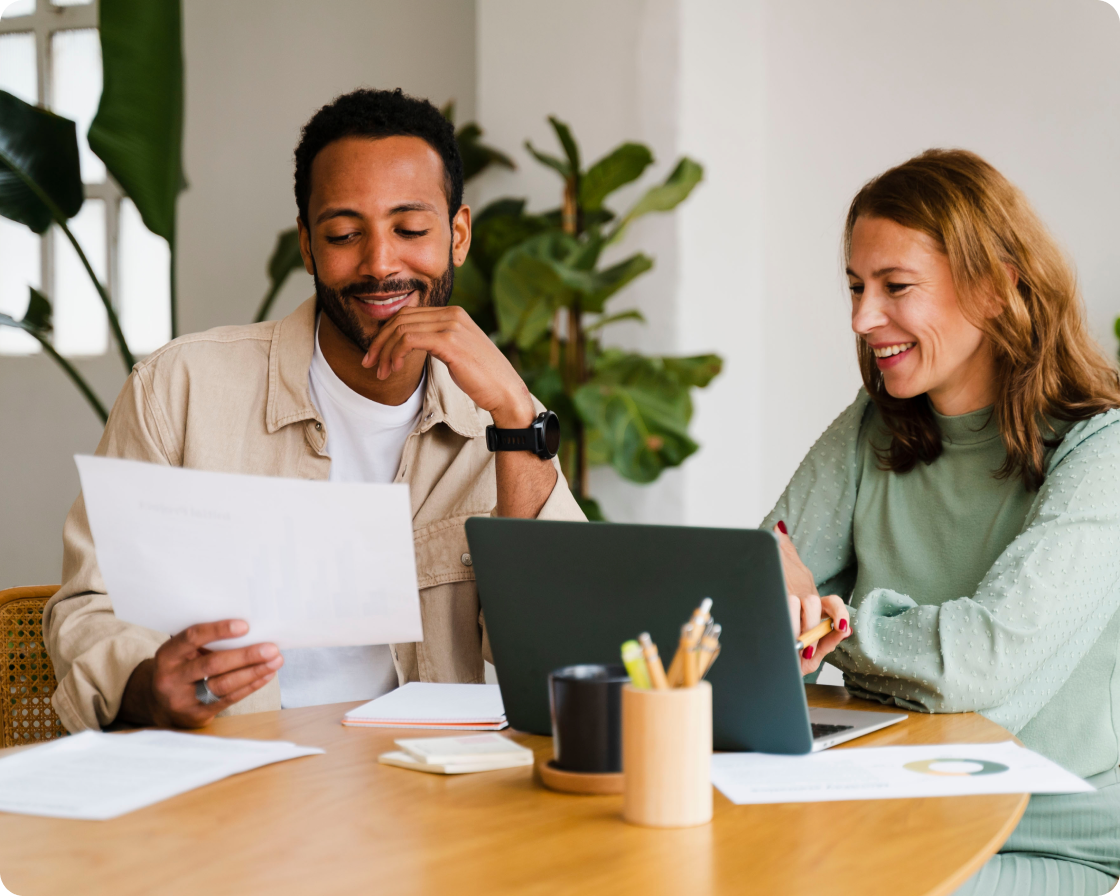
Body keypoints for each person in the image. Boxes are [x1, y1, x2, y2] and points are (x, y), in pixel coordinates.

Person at [44, 88, 583, 733]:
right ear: (307, 244)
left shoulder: (504, 421)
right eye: (344, 234)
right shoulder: (178, 391)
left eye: (410, 230)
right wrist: (145, 683)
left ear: (457, 235)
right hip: (228, 782)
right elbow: (85, 608)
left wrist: (517, 420)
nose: (381, 264)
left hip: (423, 793)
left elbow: (560, 657)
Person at [768, 149, 1120, 895]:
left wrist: (832, 628)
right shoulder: (875, 428)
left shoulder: (1104, 450)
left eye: (896, 287)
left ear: (994, 288)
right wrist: (776, 580)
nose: (864, 318)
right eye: (857, 288)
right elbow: (761, 579)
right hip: (897, 805)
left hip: (1060, 838)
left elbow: (977, 663)